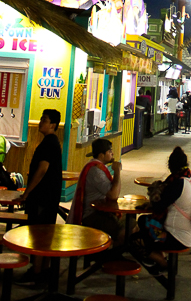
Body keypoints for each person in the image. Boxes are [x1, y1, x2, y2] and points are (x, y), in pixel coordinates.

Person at [130, 146, 191, 272]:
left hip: (176, 238)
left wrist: (152, 201)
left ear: (171, 166)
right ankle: (159, 255)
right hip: (188, 234)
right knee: (145, 226)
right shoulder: (190, 180)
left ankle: (159, 260)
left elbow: (160, 206)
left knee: (143, 223)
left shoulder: (177, 184)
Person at [17, 109, 62, 283]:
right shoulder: (51, 142)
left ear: (53, 125)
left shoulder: (48, 144)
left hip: (43, 196)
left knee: (38, 234)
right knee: (45, 234)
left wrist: (27, 192)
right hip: (50, 196)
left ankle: (36, 273)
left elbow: (42, 170)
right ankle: (44, 270)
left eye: (44, 119)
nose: (40, 122)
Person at [67, 138, 124, 243]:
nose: (112, 153)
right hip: (92, 215)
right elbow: (113, 194)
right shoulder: (96, 171)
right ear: (101, 155)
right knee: (127, 226)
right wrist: (117, 172)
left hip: (101, 211)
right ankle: (113, 255)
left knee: (129, 223)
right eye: (109, 151)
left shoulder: (98, 167)